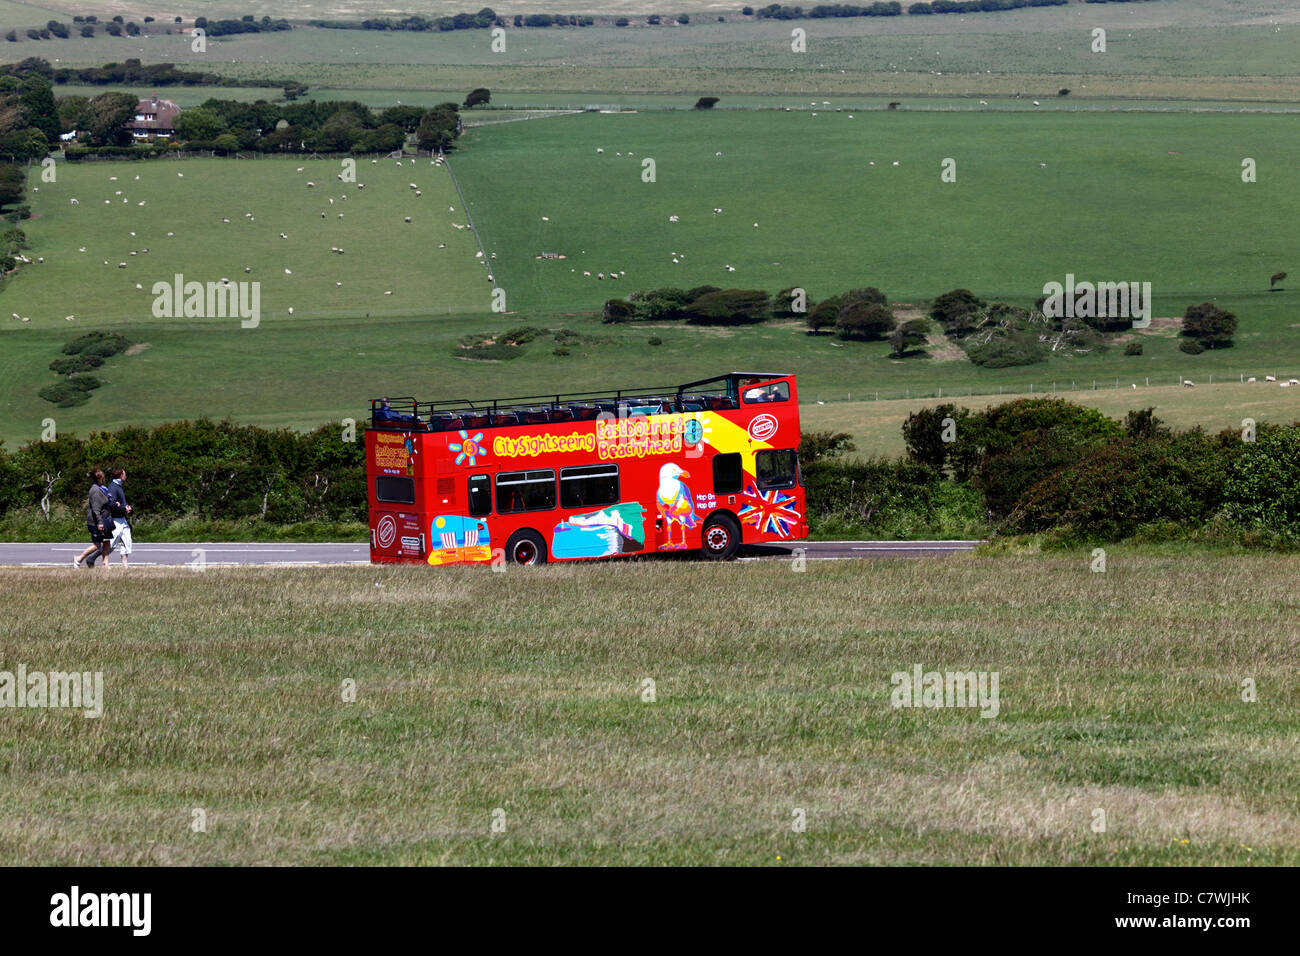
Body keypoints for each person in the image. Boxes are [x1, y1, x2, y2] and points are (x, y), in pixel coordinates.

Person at [74, 470, 112, 570]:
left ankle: (105, 565)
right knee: (97, 545)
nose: (104, 479)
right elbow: (96, 509)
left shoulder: (101, 488)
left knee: (107, 542)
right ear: (99, 478)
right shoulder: (95, 490)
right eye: (103, 477)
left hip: (105, 519)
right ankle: (79, 559)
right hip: (96, 521)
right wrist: (99, 522)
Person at [103, 466, 133, 569]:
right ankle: (93, 558)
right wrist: (123, 509)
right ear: (120, 476)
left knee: (127, 541)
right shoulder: (113, 487)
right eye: (124, 474)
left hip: (123, 520)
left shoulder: (119, 486)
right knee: (111, 545)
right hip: (115, 520)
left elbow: (121, 503)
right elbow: (112, 505)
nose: (126, 476)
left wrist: (127, 507)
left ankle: (125, 564)